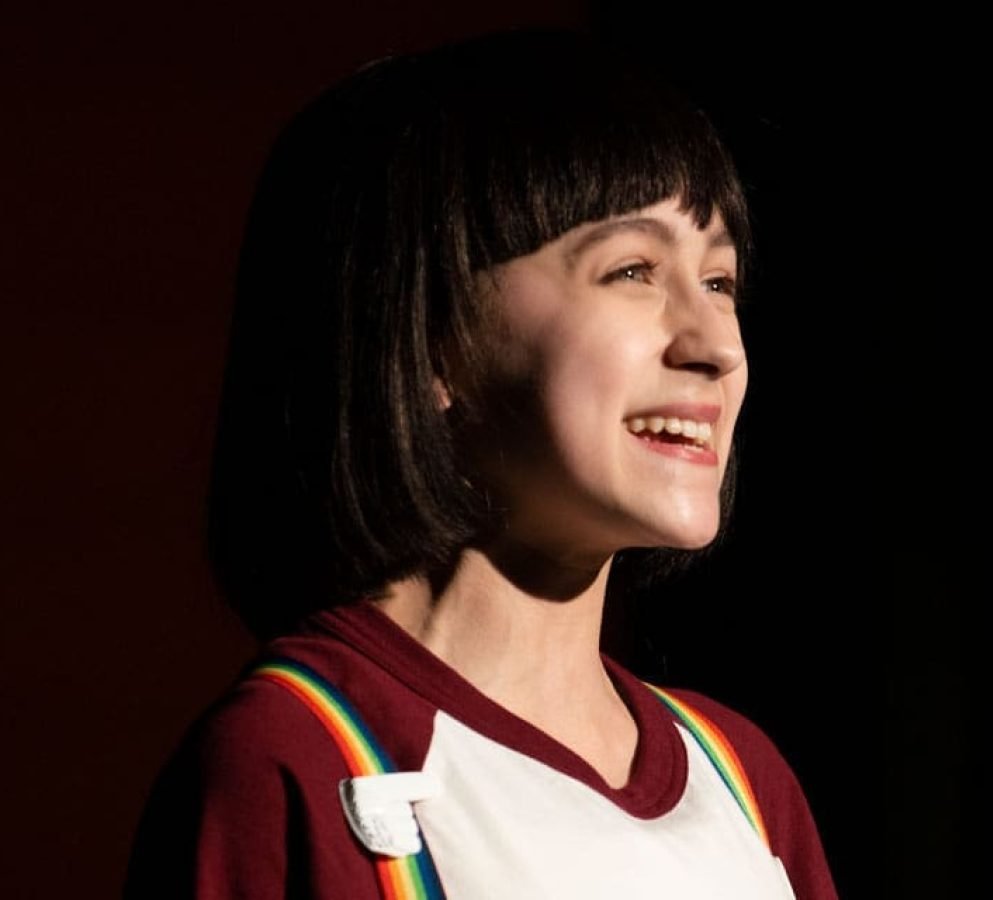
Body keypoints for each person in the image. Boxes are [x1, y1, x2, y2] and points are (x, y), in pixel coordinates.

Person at [123, 25, 838, 899]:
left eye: (720, 282)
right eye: (633, 271)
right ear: (431, 339)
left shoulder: (743, 784)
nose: (717, 345)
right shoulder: (303, 758)